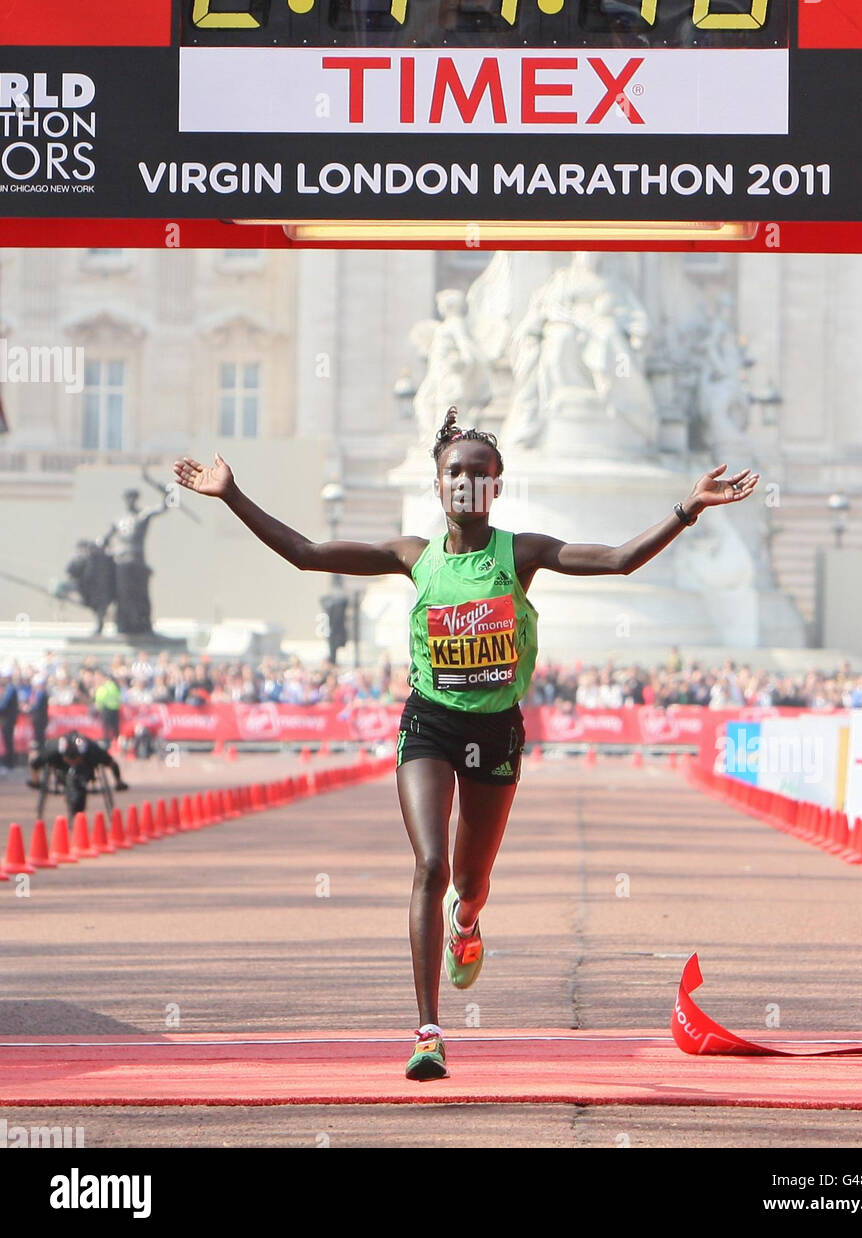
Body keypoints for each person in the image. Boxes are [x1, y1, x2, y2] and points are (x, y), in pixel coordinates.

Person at [172, 405, 758, 1081]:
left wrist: (688, 508)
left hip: (496, 730)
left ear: (497, 486)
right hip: (430, 722)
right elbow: (307, 554)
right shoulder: (411, 557)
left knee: (470, 881)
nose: (467, 482)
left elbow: (621, 561)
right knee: (430, 866)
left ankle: (468, 923)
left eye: (480, 473)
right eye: (455, 472)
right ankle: (428, 1030)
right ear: (438, 484)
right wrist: (233, 494)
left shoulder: (523, 553)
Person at [27, 730, 128, 816]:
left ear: (83, 755)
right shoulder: (53, 750)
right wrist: (35, 781)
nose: (72, 762)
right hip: (62, 772)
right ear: (62, 755)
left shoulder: (92, 750)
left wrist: (119, 782)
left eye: (75, 759)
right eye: (69, 759)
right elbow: (35, 764)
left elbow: (112, 764)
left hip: (86, 772)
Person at [0, 665, 19, 773]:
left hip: (8, 719)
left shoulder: (10, 688)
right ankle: (9, 764)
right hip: (8, 719)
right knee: (7, 740)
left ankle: (9, 764)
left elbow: (3, 704)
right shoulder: (10, 687)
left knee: (8, 741)